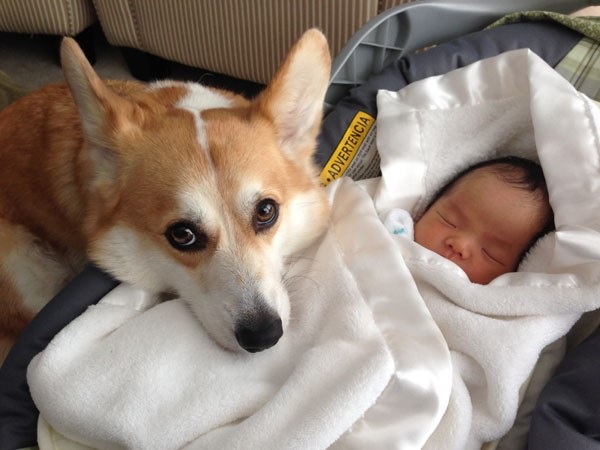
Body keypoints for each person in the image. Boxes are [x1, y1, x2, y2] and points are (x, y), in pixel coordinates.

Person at [383, 156, 555, 284]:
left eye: (490, 253)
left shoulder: (487, 312)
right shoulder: (392, 231)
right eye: (449, 221)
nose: (460, 245)